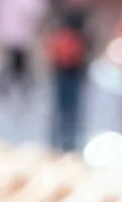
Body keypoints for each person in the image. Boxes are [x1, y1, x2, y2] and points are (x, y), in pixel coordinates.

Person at [47, 4, 90, 153]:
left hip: (65, 73)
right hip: (70, 73)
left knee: (63, 109)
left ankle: (60, 140)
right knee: (69, 110)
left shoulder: (61, 34)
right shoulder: (78, 36)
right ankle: (66, 141)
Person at [0, 0, 46, 100]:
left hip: (13, 34)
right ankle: (20, 86)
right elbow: (33, 11)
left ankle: (13, 86)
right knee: (17, 62)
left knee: (16, 62)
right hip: (19, 34)